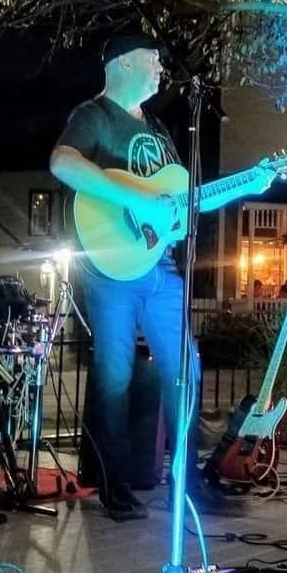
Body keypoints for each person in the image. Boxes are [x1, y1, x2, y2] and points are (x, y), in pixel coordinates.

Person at [50, 33, 273, 521]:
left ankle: (185, 483)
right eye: (151, 60)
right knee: (114, 376)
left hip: (161, 266)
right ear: (123, 63)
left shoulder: (157, 128)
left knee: (185, 369)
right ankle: (114, 485)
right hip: (111, 267)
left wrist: (248, 184)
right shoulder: (94, 115)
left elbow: (181, 201)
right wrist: (137, 201)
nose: (159, 68)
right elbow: (63, 163)